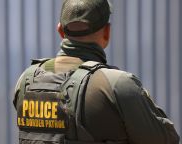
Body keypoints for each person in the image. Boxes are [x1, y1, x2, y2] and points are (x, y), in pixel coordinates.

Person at [13, 0, 180, 143]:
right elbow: (166, 139)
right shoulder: (117, 85)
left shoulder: (27, 79)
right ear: (107, 32)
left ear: (60, 31)